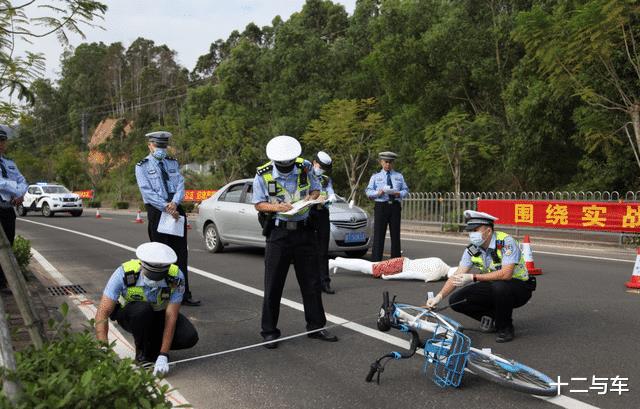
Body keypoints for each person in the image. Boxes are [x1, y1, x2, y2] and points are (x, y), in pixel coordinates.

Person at [253, 135, 338, 348]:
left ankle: (316, 327)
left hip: (304, 232)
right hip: (279, 235)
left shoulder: (305, 167)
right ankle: (269, 332)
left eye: (290, 165)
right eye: (283, 167)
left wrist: (312, 197)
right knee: (273, 284)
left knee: (311, 283)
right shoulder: (263, 174)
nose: (287, 169)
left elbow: (317, 188)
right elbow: (259, 204)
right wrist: (277, 208)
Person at [425, 210, 536, 343]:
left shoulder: (505, 242)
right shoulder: (472, 249)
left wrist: (473, 277)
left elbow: (506, 274)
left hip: (519, 287)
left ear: (488, 231)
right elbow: (458, 275)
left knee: (500, 287)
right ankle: (495, 319)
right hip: (493, 283)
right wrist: (439, 296)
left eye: (475, 230)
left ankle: (505, 328)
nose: (471, 234)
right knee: (456, 300)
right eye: (470, 231)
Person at [94, 242, 199, 377]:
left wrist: (163, 354)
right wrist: (103, 349)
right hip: (132, 315)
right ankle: (142, 355)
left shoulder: (176, 277)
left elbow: (171, 316)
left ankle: (153, 348)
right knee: (142, 309)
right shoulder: (124, 273)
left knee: (189, 336)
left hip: (158, 314)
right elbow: (103, 311)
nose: (155, 281)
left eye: (159, 277)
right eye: (151, 276)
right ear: (141, 265)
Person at [135, 131, 200, 306]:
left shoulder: (172, 163)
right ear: (150, 145)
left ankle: (183, 294)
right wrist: (166, 206)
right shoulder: (141, 166)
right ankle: (161, 295)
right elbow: (146, 191)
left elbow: (180, 184)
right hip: (158, 211)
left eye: (163, 146)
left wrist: (174, 203)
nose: (161, 149)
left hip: (176, 210)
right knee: (160, 255)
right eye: (157, 146)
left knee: (181, 254)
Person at [365, 151, 409, 262]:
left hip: (394, 206)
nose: (388, 164)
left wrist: (399, 194)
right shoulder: (376, 176)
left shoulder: (399, 176)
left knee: (395, 235)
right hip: (381, 206)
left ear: (393, 163)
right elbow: (368, 191)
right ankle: (376, 263)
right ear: (381, 162)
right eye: (386, 162)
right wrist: (377, 193)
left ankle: (395, 264)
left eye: (390, 162)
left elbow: (406, 190)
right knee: (379, 235)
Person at [0, 126, 28, 290]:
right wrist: (15, 188)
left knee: (8, 245)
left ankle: (3, 282)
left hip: (7, 209)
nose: (1, 144)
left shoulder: (10, 163)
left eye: (3, 141)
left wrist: (20, 193)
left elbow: (23, 181)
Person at [309, 151, 337, 294]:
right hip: (308, 214)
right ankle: (311, 282)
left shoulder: (326, 178)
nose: (322, 170)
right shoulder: (306, 175)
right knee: (308, 250)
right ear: (314, 163)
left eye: (325, 168)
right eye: (320, 166)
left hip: (322, 214)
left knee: (323, 250)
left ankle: (325, 282)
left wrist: (331, 197)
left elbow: (330, 190)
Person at [329, 256, 457, 282]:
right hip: (398, 268)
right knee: (368, 268)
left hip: (402, 261)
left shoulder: (440, 260)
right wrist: (390, 276)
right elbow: (410, 274)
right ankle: (335, 263)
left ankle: (340, 261)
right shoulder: (435, 275)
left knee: (369, 265)